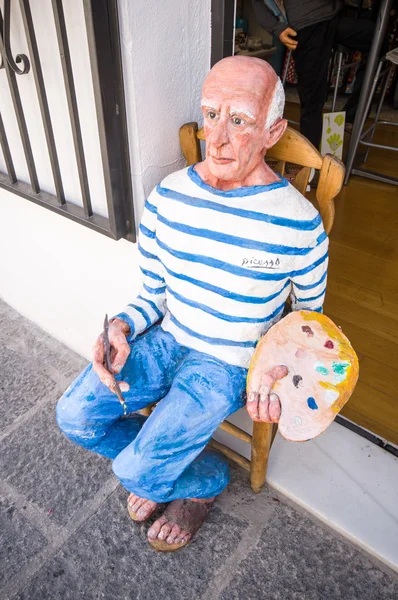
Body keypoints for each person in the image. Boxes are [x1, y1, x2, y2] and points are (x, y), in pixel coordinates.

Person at [56, 56, 329, 551]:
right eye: (210, 115)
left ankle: (193, 485)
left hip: (225, 364)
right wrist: (119, 326)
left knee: (134, 469)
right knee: (73, 417)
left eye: (240, 120)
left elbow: (307, 328)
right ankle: (181, 472)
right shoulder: (167, 198)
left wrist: (274, 375)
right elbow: (152, 295)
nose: (217, 138)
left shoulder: (299, 224)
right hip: (167, 339)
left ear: (273, 131)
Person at [252, 0, 375, 148]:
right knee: (313, 97)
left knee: (379, 39)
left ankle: (350, 117)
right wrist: (277, 28)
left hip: (335, 16)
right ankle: (309, 160)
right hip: (306, 24)